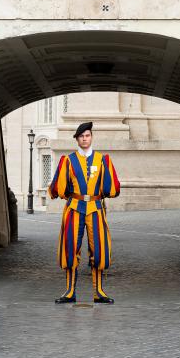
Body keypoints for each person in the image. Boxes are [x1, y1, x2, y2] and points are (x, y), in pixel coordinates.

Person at [48, 122, 121, 304]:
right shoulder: (68, 160)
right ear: (77, 139)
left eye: (87, 136)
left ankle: (99, 292)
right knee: (71, 248)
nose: (84, 139)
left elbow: (112, 188)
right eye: (81, 136)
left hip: (95, 209)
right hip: (74, 208)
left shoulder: (102, 160)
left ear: (91, 137)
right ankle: (70, 291)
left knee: (99, 249)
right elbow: (58, 187)